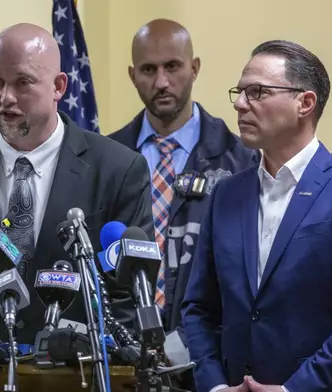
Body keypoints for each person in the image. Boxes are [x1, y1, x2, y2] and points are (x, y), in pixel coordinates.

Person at [0, 23, 153, 343]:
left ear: (58, 86)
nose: (6, 98)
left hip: (74, 374)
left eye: (23, 83)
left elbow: (126, 298)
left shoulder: (118, 169)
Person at [182, 40, 332, 391]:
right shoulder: (226, 193)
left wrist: (294, 389)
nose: (240, 104)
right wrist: (215, 385)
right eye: (239, 92)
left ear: (305, 103)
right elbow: (198, 307)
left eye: (256, 92)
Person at [109, 18, 257, 351]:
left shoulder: (241, 161)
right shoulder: (108, 159)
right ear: (132, 75)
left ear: (194, 68)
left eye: (172, 66)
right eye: (148, 70)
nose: (161, 82)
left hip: (210, 355)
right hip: (121, 350)